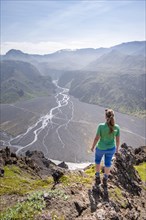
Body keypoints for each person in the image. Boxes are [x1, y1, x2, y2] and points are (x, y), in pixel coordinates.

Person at [90, 108, 120, 187]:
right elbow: (117, 140)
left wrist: (92, 147)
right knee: (108, 163)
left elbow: (96, 138)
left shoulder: (101, 126)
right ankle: (105, 178)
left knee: (97, 161)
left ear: (105, 116)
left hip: (101, 148)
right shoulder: (117, 127)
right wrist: (117, 149)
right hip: (111, 149)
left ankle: (97, 176)